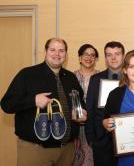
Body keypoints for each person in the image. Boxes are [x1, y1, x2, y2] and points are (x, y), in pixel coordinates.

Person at [1, 38, 87, 166]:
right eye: (52, 50)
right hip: (35, 150)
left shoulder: (71, 77)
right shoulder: (27, 74)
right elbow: (7, 104)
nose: (57, 54)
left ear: (66, 54)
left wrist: (81, 113)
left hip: (67, 150)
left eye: (61, 51)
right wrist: (33, 100)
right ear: (45, 52)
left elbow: (79, 102)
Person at [85, 41, 124, 166]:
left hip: (127, 139)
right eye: (109, 55)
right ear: (105, 58)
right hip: (101, 141)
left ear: (123, 56)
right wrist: (91, 139)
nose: (113, 58)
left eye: (117, 54)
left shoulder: (132, 78)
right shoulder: (96, 79)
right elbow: (90, 109)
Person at [73, 44, 100, 166]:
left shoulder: (101, 77)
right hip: (75, 126)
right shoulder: (71, 77)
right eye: (85, 54)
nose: (89, 57)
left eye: (92, 55)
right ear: (79, 58)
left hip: (95, 126)